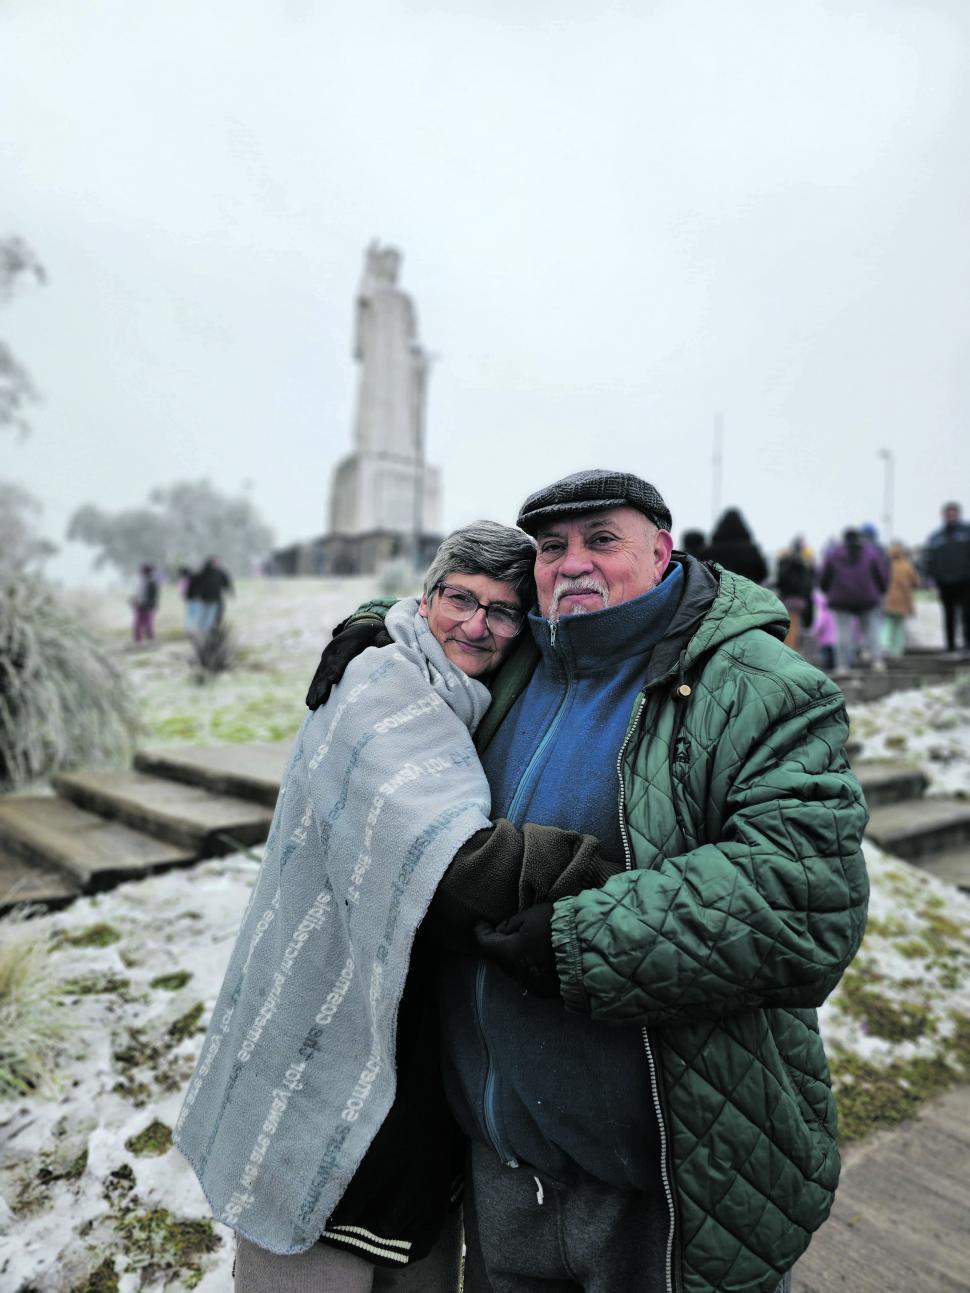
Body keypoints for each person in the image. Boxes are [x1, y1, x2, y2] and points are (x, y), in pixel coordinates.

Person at [307, 470, 869, 1293]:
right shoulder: (518, 659)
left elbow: (806, 894)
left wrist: (577, 944)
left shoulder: (759, 686)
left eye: (602, 539)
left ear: (662, 550)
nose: (573, 564)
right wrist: (377, 630)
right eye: (552, 547)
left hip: (670, 1183)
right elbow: (448, 610)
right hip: (503, 1176)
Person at [174, 521, 622, 1293]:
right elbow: (453, 862)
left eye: (503, 610)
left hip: (416, 1046)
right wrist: (603, 871)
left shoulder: (473, 696)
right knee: (311, 1233)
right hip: (326, 1024)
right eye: (460, 599)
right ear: (428, 596)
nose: (477, 625)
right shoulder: (379, 684)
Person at [819, 526, 888, 673]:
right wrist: (881, 590)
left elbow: (824, 577)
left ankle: (842, 665)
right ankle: (876, 661)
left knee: (843, 633)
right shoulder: (871, 553)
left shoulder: (834, 553)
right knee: (871, 630)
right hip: (868, 597)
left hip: (841, 599)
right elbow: (881, 575)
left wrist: (828, 591)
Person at [923, 502, 970, 653]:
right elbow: (928, 559)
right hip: (945, 583)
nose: (951, 515)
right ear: (943, 515)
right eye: (948, 513)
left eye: (954, 512)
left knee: (967, 615)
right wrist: (929, 580)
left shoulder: (967, 532)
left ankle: (967, 645)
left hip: (966, 581)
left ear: (959, 514)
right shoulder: (936, 537)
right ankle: (950, 646)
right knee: (949, 616)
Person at [702, 506, 769, 583]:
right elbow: (762, 573)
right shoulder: (751, 550)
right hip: (747, 591)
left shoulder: (710, 550)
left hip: (719, 592)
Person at [775, 536, 815, 651]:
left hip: (787, 598)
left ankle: (790, 650)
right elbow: (809, 584)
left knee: (791, 627)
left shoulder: (785, 561)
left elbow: (780, 580)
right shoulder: (804, 562)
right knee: (796, 627)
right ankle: (794, 650)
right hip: (800, 600)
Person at [882, 542, 920, 658]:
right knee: (899, 626)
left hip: (888, 600)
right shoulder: (907, 566)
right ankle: (897, 651)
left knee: (887, 624)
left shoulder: (886, 566)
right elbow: (916, 582)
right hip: (903, 600)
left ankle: (884, 646)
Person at [193, 555, 233, 634]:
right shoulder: (203, 572)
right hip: (205, 598)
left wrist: (230, 591)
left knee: (219, 613)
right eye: (215, 562)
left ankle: (214, 628)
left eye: (217, 562)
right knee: (206, 615)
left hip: (217, 598)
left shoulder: (220, 572)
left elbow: (226, 582)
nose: (217, 564)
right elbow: (195, 583)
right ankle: (204, 630)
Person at [130, 562, 159, 643]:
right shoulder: (145, 581)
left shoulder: (147, 581)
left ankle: (143, 638)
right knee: (143, 622)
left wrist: (151, 605)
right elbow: (139, 594)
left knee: (143, 623)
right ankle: (142, 638)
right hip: (142, 605)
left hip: (144, 605)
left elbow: (153, 596)